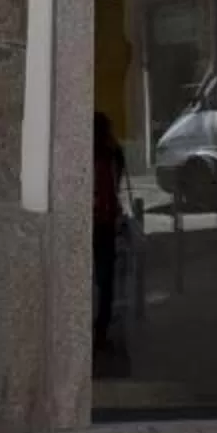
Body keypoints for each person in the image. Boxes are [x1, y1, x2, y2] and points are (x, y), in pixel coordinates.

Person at [92, 110, 129, 347]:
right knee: (104, 280)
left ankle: (100, 327)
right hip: (103, 221)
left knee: (102, 280)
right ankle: (101, 328)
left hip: (99, 221)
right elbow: (118, 181)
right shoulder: (109, 154)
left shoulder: (108, 154)